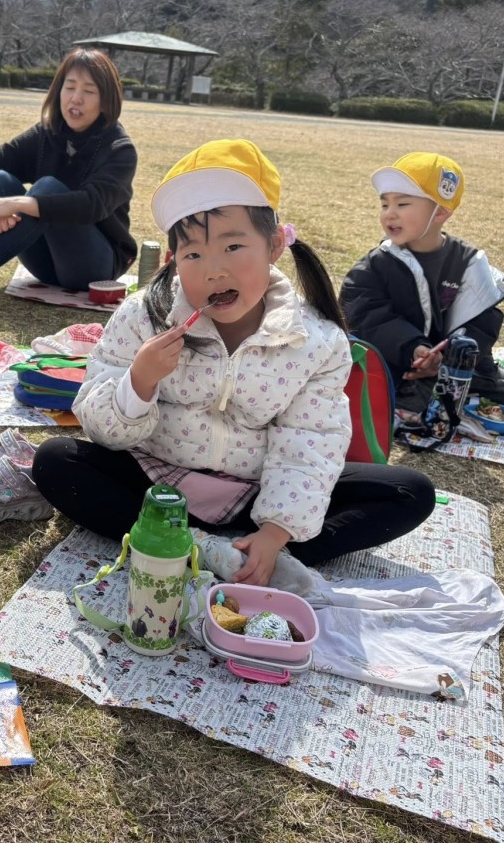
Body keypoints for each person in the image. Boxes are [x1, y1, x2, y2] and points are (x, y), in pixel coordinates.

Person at [32, 140, 435, 588]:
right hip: (153, 482)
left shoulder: (316, 340)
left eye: (233, 246)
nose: (213, 271)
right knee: (56, 461)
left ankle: (249, 550)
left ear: (275, 244)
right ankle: (203, 547)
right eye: (193, 254)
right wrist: (139, 382)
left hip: (257, 493)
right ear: (173, 260)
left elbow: (310, 440)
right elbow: (101, 430)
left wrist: (276, 531)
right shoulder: (143, 316)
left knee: (409, 492)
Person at [0, 47, 138, 307]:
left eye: (89, 91)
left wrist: (16, 204)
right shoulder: (47, 134)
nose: (76, 98)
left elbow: (90, 205)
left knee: (47, 188)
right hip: (45, 265)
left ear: (106, 99)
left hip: (93, 268)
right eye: (69, 87)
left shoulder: (119, 150)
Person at [340, 152, 504, 415]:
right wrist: (414, 349)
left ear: (440, 212)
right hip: (398, 365)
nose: (389, 214)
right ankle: (420, 401)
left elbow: (482, 321)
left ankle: (438, 397)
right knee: (399, 396)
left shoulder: (468, 262)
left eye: (402, 204)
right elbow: (365, 315)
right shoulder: (376, 264)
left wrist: (451, 358)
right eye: (384, 204)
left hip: (449, 368)